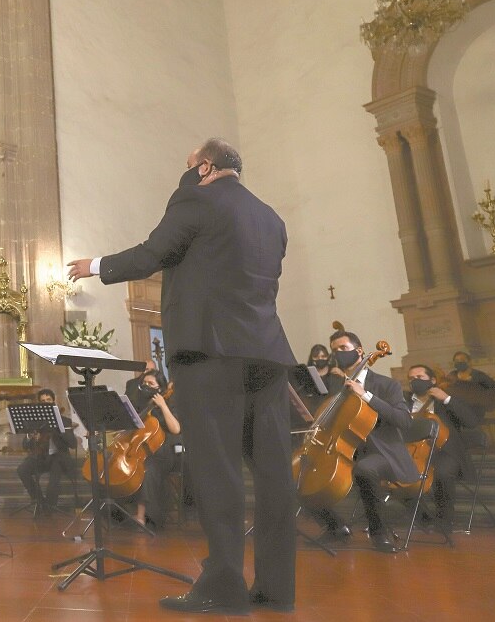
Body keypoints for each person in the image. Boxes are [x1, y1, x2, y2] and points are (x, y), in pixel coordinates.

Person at [67, 138, 296, 615]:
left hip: (211, 355)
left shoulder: (195, 196)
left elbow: (153, 253)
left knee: (219, 472)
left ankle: (225, 587)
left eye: (189, 165)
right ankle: (277, 589)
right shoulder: (271, 218)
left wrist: (94, 266)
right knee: (274, 476)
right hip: (270, 356)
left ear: (206, 167)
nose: (185, 172)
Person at [304, 330, 418, 552]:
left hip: (382, 453)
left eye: (343, 348)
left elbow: (404, 421)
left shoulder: (386, 385)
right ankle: (335, 526)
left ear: (359, 351)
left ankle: (379, 533)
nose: (338, 353)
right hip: (346, 450)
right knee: (303, 470)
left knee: (365, 469)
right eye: (334, 350)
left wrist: (366, 395)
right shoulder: (336, 389)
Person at [406, 364, 481, 538]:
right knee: (395, 473)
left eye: (419, 377)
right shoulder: (405, 402)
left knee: (442, 472)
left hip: (445, 452)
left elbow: (471, 422)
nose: (415, 381)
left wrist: (446, 398)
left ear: (432, 380)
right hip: (415, 451)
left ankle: (444, 520)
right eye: (411, 379)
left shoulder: (447, 401)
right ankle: (423, 517)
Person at [124, 370, 182, 530]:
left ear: (160, 387)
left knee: (147, 469)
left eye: (151, 384)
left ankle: (142, 516)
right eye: (144, 383)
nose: (146, 386)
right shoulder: (140, 403)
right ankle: (121, 512)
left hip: (164, 453)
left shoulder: (169, 403)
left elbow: (176, 428)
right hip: (142, 450)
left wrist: (163, 405)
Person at [16, 388, 77, 514]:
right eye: (43, 401)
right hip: (41, 457)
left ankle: (50, 507)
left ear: (54, 401)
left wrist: (59, 428)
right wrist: (30, 437)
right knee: (22, 469)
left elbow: (73, 444)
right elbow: (25, 445)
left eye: (48, 400)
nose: (46, 403)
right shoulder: (36, 422)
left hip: (59, 457)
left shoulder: (64, 421)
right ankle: (39, 500)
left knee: (55, 475)